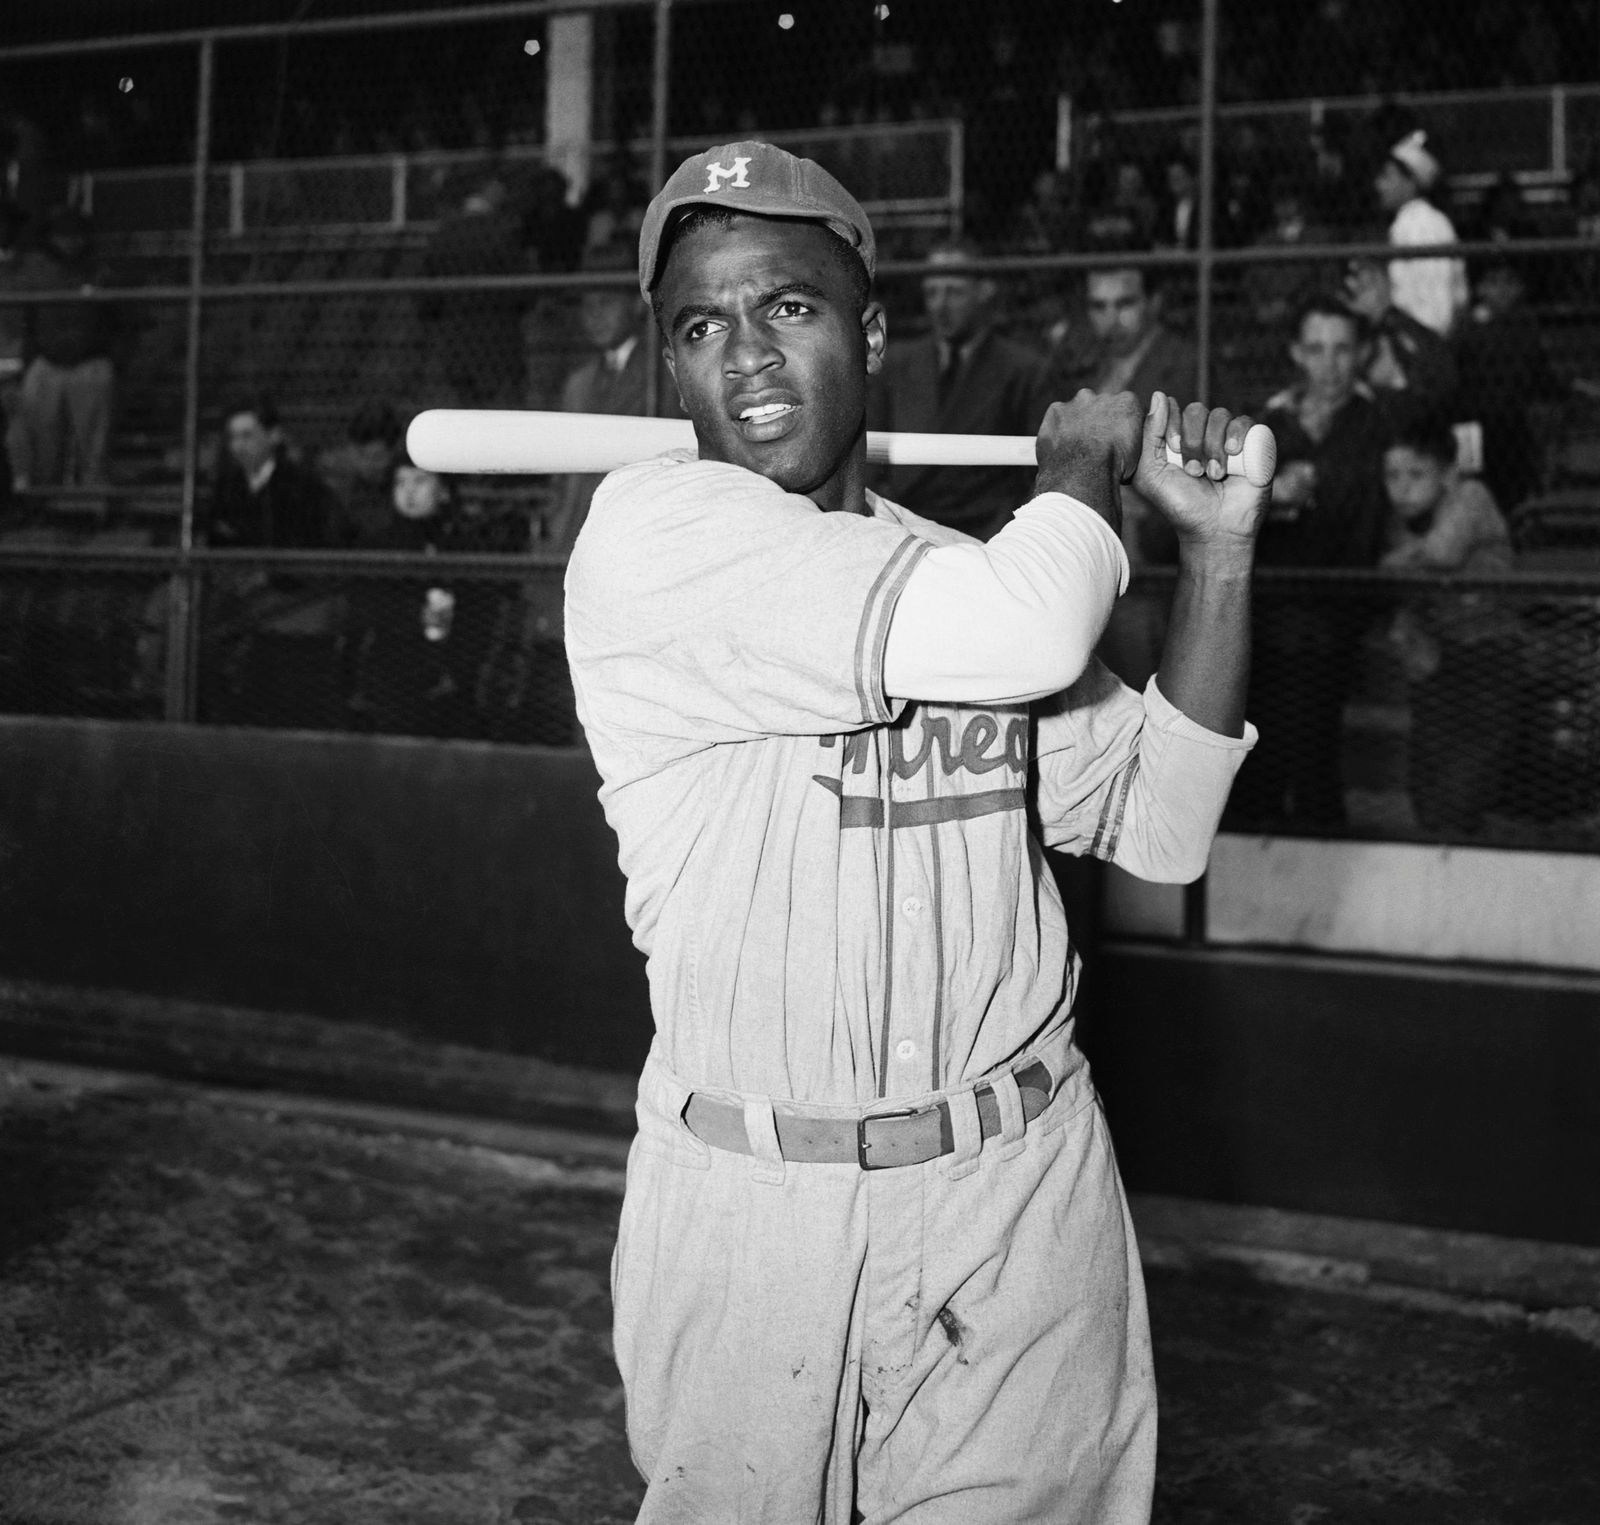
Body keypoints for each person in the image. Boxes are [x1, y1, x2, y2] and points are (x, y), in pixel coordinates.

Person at [565, 139, 1267, 1524]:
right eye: (703, 327)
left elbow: (1165, 823)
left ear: (874, 331)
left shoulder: (962, 579)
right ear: (672, 370)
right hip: (756, 1203)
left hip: (1017, 1196)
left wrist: (1220, 549)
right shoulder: (655, 540)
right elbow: (1028, 617)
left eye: (790, 307)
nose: (747, 359)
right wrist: (1078, 471)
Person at [1234, 295, 1391, 830]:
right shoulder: (1269, 423)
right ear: (1297, 353)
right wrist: (1271, 495)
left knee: (1312, 749)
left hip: (1338, 610)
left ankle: (1317, 832)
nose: (1331, 364)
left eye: (1344, 349)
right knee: (1263, 752)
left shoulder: (1380, 421)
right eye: (1318, 349)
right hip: (1269, 610)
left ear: (1364, 353)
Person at [1052, 263, 1202, 687]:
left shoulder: (1190, 366)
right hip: (1081, 559)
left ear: (1153, 303)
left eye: (1125, 304)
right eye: (1099, 306)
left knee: (1142, 689)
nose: (1111, 318)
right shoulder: (1076, 366)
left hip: (1151, 569)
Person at [1379, 417, 1519, 835]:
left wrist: (1405, 559)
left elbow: (1443, 553)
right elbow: (1388, 570)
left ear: (1448, 475)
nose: (1401, 488)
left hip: (1486, 654)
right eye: (1391, 475)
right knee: (1427, 775)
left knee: (1466, 781)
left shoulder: (1471, 495)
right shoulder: (1401, 521)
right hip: (1438, 657)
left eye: (1416, 475)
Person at [864, 238, 1053, 541]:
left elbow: (1038, 469)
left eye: (955, 292)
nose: (941, 305)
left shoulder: (1023, 369)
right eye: (933, 292)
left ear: (984, 291)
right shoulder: (897, 363)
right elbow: (869, 454)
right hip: (904, 523)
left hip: (990, 528)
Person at [201, 396, 344, 729]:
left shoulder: (305, 489)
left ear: (274, 436)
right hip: (235, 596)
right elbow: (217, 543)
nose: (237, 445)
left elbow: (316, 552)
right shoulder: (225, 488)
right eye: (232, 437)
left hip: (291, 599)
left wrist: (267, 578)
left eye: (247, 435)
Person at [347, 456, 489, 739]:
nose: (408, 491)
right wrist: (414, 615)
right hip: (392, 676)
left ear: (444, 491)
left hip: (452, 678)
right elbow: (363, 607)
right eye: (401, 482)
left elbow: (482, 611)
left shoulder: (465, 545)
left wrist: (457, 670)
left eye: (420, 481)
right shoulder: (376, 545)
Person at [14, 205, 121, 488]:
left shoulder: (101, 269)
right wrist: (29, 364)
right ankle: (42, 501)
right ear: (51, 237)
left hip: (90, 361)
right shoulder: (35, 268)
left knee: (93, 443)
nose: (70, 241)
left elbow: (120, 320)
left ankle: (92, 503)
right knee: (41, 440)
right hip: (47, 362)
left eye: (76, 234)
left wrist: (115, 359)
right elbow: (27, 321)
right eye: (63, 234)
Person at [1375, 129, 1468, 339]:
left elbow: (1437, 311)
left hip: (1425, 346)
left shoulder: (1425, 224)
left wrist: (1424, 351)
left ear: (1411, 182)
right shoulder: (1409, 221)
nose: (1379, 185)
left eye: (1388, 176)